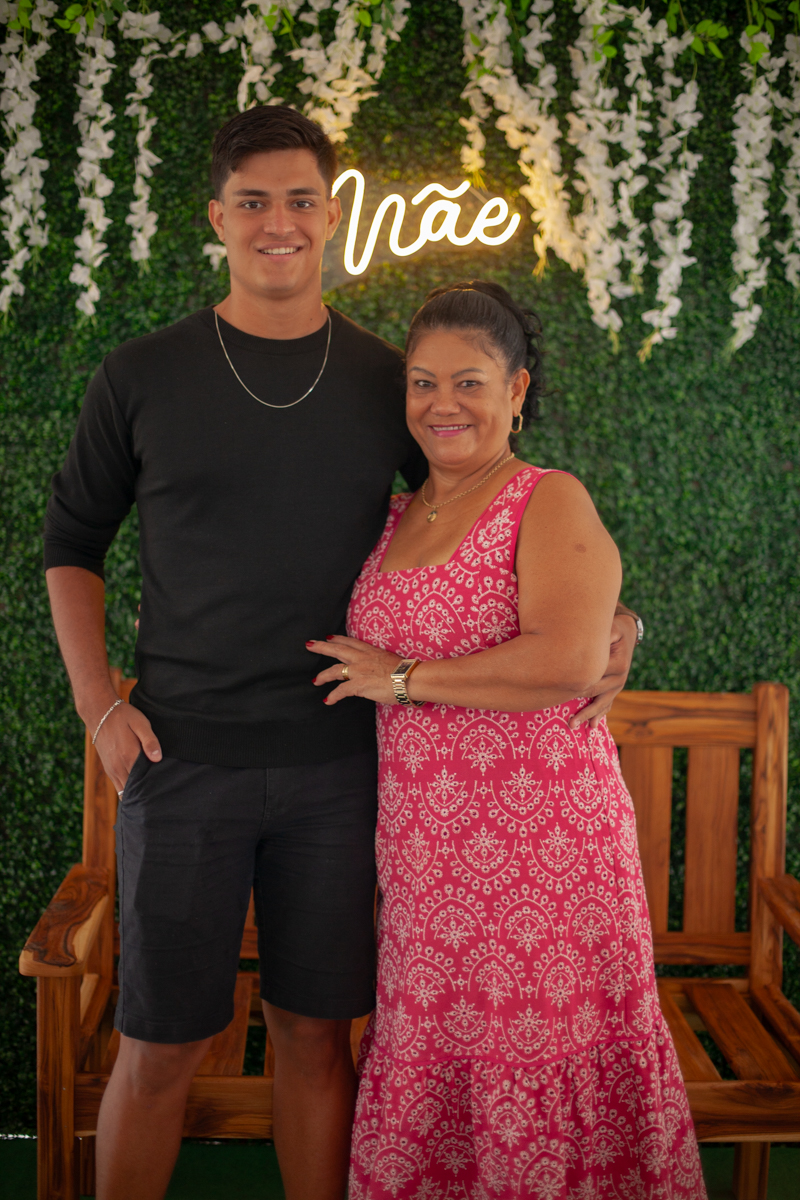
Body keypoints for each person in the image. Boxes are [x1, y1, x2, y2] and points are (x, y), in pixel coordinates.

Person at [43, 103, 635, 1200]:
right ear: (217, 218)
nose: (279, 222)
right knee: (160, 1045)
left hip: (342, 771)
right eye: (253, 202)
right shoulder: (139, 375)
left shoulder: (385, 380)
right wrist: (98, 707)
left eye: (301, 200)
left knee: (317, 1040)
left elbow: (479, 514)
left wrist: (617, 622)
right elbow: (71, 543)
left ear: (331, 214)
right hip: (181, 763)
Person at [308, 282, 706, 1199]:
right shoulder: (391, 515)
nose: (442, 403)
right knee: (435, 1056)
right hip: (427, 862)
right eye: (422, 382)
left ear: (517, 390)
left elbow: (567, 659)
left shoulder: (546, 498)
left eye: (470, 382)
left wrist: (403, 678)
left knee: (537, 1063)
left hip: (544, 861)